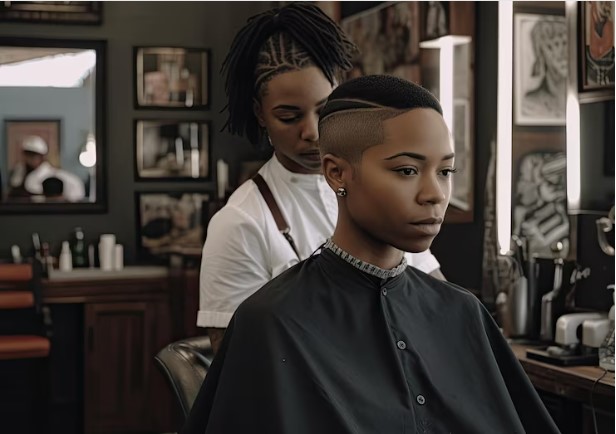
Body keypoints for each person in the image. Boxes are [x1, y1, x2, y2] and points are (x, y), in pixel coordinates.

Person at [182, 75, 560, 434]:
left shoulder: (464, 313)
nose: (435, 194)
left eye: (446, 171)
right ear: (337, 174)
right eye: (408, 170)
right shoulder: (271, 322)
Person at [198, 2, 446, 355]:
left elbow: (435, 301)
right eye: (289, 116)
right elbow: (237, 371)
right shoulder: (241, 224)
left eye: (323, 108)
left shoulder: (378, 190)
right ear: (260, 114)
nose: (312, 132)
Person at [8, 135, 85, 202]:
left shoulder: (56, 176)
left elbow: (76, 191)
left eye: (33, 155)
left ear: (42, 157)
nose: (29, 158)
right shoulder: (19, 172)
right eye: (27, 154)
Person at [522, 18, 568, 120]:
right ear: (541, 54)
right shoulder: (530, 103)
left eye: (565, 43)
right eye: (551, 46)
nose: (562, 53)